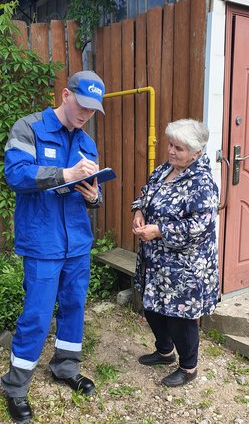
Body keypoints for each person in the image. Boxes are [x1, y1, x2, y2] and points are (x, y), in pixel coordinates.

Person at [1, 70, 105, 423]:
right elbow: (15, 175)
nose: (86, 115)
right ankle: (15, 387)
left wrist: (94, 195)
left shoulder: (86, 140)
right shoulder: (29, 128)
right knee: (37, 315)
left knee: (74, 306)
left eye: (93, 111)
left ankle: (64, 367)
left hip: (77, 241)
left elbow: (91, 185)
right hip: (42, 241)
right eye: (83, 105)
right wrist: (64, 174)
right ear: (65, 94)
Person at [131, 119, 219, 388]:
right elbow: (145, 195)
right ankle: (165, 352)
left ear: (196, 153)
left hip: (184, 266)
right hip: (156, 261)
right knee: (153, 308)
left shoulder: (201, 182)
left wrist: (159, 231)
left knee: (179, 316)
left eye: (178, 148)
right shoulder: (163, 171)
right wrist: (138, 212)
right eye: (170, 145)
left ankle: (189, 367)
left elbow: (200, 225)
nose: (170, 151)